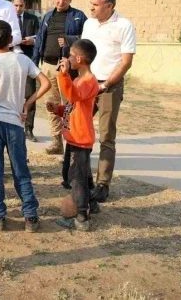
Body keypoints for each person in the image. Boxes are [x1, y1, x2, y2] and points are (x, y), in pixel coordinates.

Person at [0, 20, 51, 233]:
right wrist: (27, 103)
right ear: (11, 40)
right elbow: (46, 83)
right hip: (15, 123)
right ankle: (30, 216)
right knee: (21, 170)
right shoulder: (23, 60)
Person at [81, 0, 136, 203]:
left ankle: (102, 184)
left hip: (108, 87)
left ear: (109, 6)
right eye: (91, 3)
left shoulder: (124, 26)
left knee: (105, 136)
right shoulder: (88, 23)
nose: (91, 8)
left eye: (96, 5)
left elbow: (126, 61)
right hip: (87, 85)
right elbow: (82, 54)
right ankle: (81, 177)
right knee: (80, 132)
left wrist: (105, 85)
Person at [48, 39, 100, 231]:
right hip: (74, 136)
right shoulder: (79, 80)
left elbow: (74, 96)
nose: (67, 58)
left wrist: (63, 75)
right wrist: (59, 110)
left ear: (78, 58)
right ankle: (92, 205)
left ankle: (81, 218)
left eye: (70, 54)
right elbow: (73, 106)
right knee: (83, 175)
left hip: (80, 138)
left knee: (76, 178)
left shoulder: (88, 81)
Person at [32, 0, 88, 155]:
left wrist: (70, 40)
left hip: (67, 68)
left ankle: (72, 140)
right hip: (48, 66)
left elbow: (87, 40)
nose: (61, 1)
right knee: (52, 105)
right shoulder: (48, 16)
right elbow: (40, 40)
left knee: (70, 105)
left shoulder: (79, 16)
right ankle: (56, 142)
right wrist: (35, 64)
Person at [12, 0, 41, 142]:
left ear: (25, 5)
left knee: (30, 95)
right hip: (11, 62)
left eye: (21, 6)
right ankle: (13, 127)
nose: (18, 9)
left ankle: (29, 129)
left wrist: (32, 40)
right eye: (16, 5)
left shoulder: (32, 19)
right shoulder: (7, 19)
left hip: (28, 61)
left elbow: (40, 37)